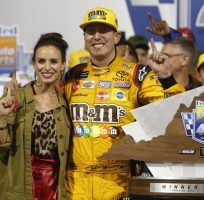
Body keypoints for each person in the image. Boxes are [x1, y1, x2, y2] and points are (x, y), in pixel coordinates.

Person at [63, 7, 185, 199]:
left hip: (119, 182)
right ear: (84, 37)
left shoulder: (137, 74)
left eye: (103, 30)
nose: (97, 36)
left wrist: (166, 77)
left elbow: (175, 115)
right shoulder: (72, 76)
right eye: (90, 31)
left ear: (117, 37)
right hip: (76, 183)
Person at [0, 32, 70, 199]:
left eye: (53, 61)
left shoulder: (68, 101)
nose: (47, 67)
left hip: (55, 189)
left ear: (63, 65)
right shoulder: (15, 98)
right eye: (41, 61)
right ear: (33, 64)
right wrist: (1, 118)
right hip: (21, 187)